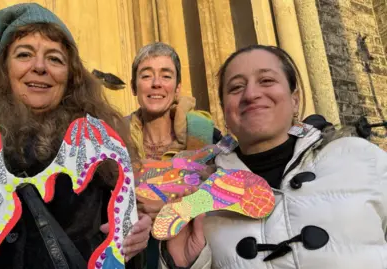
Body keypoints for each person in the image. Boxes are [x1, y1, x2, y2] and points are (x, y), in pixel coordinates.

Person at [0, 3, 151, 269]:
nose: (39, 67)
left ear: (70, 76)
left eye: (55, 58)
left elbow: (120, 244)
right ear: (3, 70)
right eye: (24, 54)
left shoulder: (97, 150)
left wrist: (135, 236)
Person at [159, 45, 387, 268]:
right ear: (225, 110)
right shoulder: (202, 193)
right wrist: (185, 264)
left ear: (294, 98)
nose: (251, 94)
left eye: (267, 80)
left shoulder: (359, 158)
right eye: (236, 87)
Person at [126, 42, 222, 269]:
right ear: (133, 86)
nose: (156, 84)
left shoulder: (205, 135)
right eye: (146, 75)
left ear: (177, 87)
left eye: (166, 76)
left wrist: (176, 207)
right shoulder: (116, 139)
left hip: (191, 257)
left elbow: (224, 193)